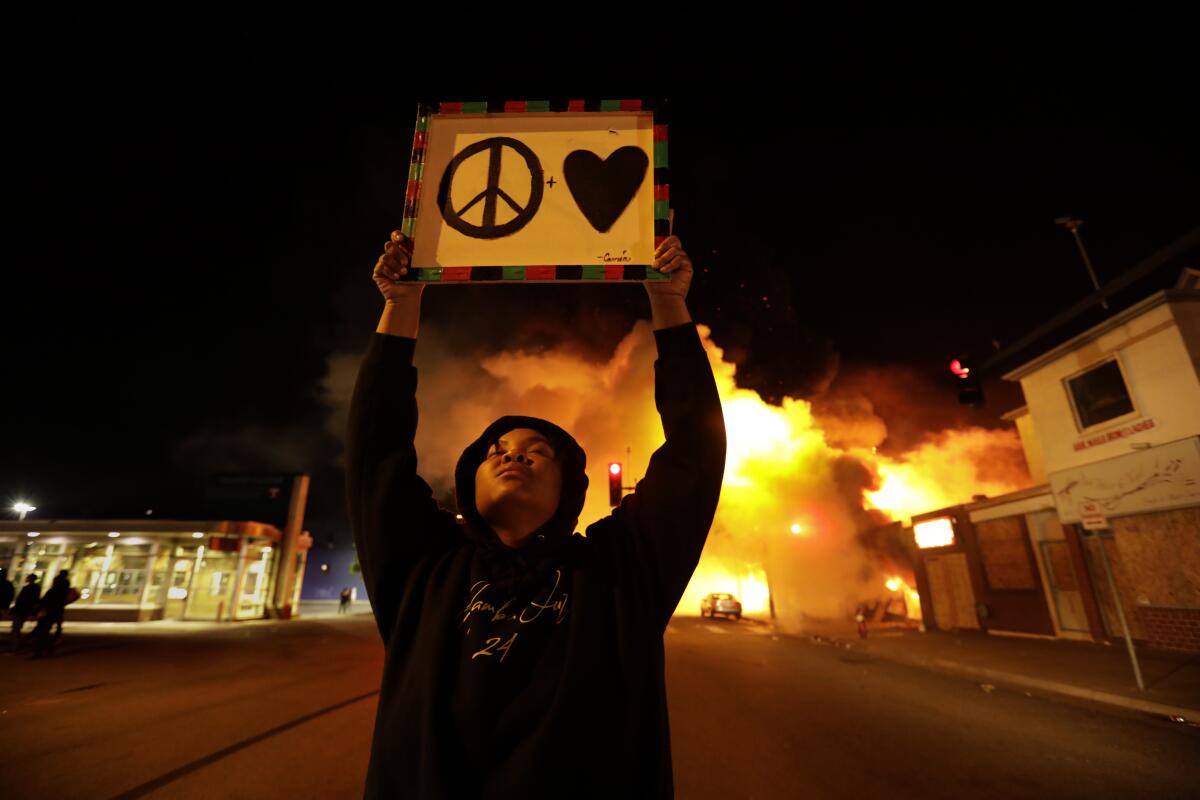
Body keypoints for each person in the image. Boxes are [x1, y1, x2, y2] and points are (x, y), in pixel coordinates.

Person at [347, 230, 725, 798]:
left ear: (570, 490)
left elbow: (693, 456)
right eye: (496, 451)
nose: (513, 453)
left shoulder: (619, 573)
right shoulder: (421, 570)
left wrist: (667, 301)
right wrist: (401, 305)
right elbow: (376, 448)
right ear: (466, 486)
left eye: (537, 451)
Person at [11, 573, 41, 651]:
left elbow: (21, 600)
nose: (26, 578)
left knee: (16, 629)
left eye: (27, 577)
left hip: (21, 610)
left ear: (30, 579)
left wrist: (15, 608)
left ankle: (15, 647)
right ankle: (17, 645)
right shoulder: (37, 588)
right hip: (25, 610)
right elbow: (35, 600)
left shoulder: (27, 588)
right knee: (18, 627)